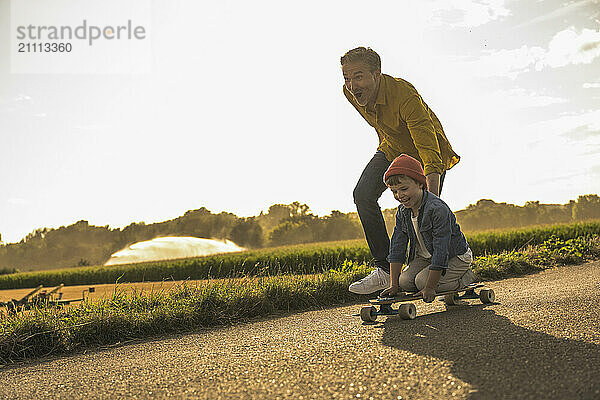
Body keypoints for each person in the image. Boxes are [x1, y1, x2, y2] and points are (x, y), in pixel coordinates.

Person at [341, 46, 461, 294]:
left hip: (424, 154)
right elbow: (378, 122)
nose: (352, 85)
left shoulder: (404, 95)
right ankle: (385, 270)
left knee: (425, 221)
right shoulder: (350, 93)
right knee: (362, 194)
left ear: (377, 74)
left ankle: (451, 268)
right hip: (392, 147)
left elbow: (428, 148)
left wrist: (431, 200)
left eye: (359, 76)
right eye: (347, 77)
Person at [378, 154, 476, 301]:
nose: (399, 195)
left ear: (420, 184)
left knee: (422, 282)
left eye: (404, 189)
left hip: (454, 257)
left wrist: (429, 287)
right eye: (394, 191)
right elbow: (397, 248)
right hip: (426, 257)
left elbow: (441, 250)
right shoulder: (402, 212)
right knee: (404, 282)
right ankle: (436, 280)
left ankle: (466, 277)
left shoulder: (437, 209)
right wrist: (394, 286)